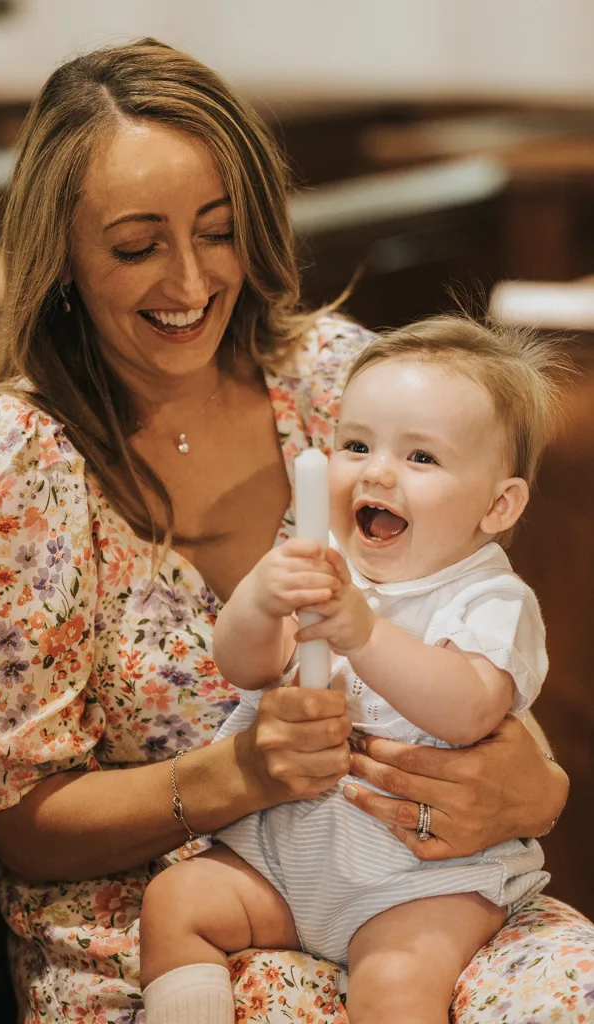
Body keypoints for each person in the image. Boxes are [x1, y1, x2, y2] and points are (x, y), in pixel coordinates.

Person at [0, 37, 588, 1024]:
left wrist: (531, 787)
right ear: (60, 249)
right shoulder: (9, 458)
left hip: (406, 891)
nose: (189, 283)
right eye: (137, 245)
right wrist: (239, 773)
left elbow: (463, 630)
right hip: (156, 927)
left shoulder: (342, 385)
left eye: (219, 231)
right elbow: (28, 826)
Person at [138, 315, 563, 1023]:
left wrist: (362, 634)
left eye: (420, 458)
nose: (376, 470)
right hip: (279, 866)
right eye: (356, 444)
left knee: (395, 984)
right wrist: (260, 600)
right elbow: (242, 666)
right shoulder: (325, 560)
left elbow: (468, 708)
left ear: (497, 505)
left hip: (415, 882)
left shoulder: (490, 598)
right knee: (175, 902)